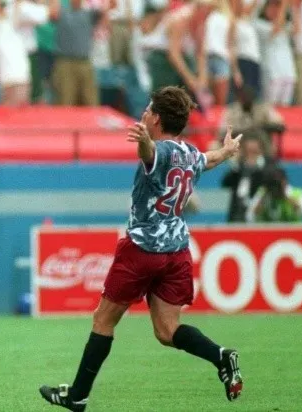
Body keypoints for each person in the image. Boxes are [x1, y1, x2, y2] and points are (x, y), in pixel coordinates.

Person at [39, 86, 244, 411]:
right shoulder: (189, 152)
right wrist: (228, 151)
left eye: (148, 111)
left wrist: (144, 142)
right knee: (167, 330)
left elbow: (150, 154)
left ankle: (77, 396)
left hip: (143, 250)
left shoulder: (159, 150)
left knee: (103, 321)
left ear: (158, 119)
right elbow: (210, 159)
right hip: (176, 252)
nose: (144, 114)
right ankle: (221, 357)